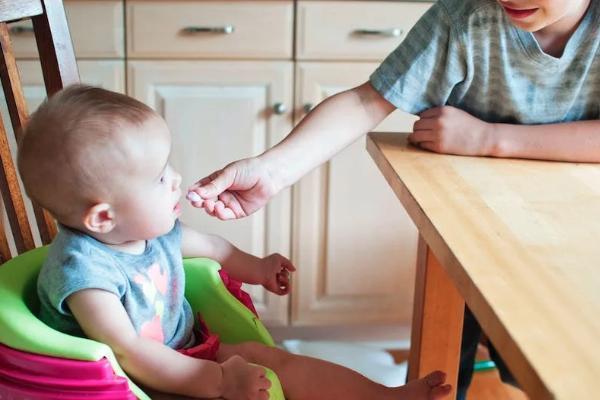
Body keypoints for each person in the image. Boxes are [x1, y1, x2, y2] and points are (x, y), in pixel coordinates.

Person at [185, 0, 600, 398]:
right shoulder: (465, 17)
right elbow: (368, 100)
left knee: (547, 360)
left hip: (575, 235)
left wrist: (489, 138)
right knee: (451, 356)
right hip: (470, 229)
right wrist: (271, 171)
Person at [18, 85, 451, 400]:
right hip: (130, 384)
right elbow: (128, 354)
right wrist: (221, 382)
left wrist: (259, 268)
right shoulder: (87, 277)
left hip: (186, 351)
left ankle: (382, 397)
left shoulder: (150, 232)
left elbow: (215, 248)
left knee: (274, 360)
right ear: (103, 217)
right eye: (158, 178)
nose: (176, 180)